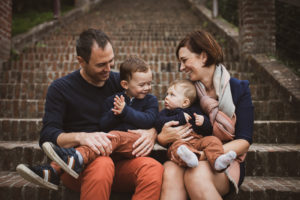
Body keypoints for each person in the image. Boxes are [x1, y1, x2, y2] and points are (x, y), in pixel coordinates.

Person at [16, 28, 163, 200]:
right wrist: (82, 137)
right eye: (101, 64)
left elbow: (150, 110)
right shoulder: (60, 89)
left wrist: (151, 132)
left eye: (111, 61)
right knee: (103, 164)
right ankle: (65, 164)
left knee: (153, 168)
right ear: (81, 61)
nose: (108, 69)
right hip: (78, 169)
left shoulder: (120, 82)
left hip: (120, 161)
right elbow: (48, 135)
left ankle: (54, 169)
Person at [27, 56, 159, 182]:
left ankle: (76, 157)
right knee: (104, 137)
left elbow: (149, 119)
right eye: (142, 85)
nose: (147, 88)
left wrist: (125, 112)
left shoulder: (150, 100)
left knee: (112, 137)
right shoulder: (114, 100)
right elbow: (103, 125)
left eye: (149, 83)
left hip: (135, 145)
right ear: (125, 85)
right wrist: (115, 114)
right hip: (111, 150)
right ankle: (54, 170)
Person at [157, 30, 254, 200]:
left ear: (203, 56)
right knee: (170, 171)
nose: (181, 68)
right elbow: (169, 122)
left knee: (195, 175)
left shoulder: (238, 89)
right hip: (189, 152)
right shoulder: (188, 93)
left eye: (185, 60)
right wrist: (162, 137)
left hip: (225, 158)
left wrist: (204, 155)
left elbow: (244, 141)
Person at [155, 79, 237, 170]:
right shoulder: (166, 113)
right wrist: (179, 118)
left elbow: (208, 130)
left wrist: (203, 122)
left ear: (185, 102)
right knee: (177, 149)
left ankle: (217, 160)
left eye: (172, 95)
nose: (166, 97)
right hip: (179, 142)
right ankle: (189, 158)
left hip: (198, 141)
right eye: (167, 94)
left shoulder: (195, 110)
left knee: (213, 140)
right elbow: (159, 123)